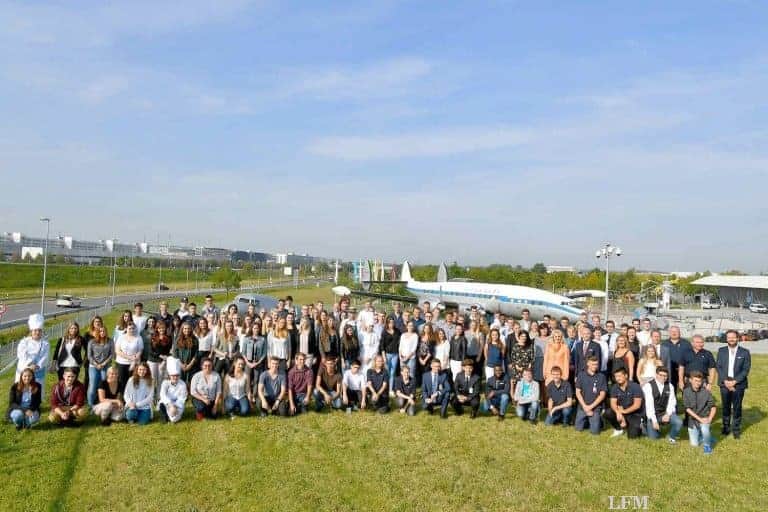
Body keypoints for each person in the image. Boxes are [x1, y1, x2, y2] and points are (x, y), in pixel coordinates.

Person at [716, 330, 751, 439]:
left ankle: (736, 430)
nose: (731, 339)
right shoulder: (721, 351)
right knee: (725, 407)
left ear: (737, 338)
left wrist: (734, 382)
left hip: (738, 384)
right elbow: (719, 367)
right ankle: (725, 428)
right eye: (729, 337)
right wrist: (726, 381)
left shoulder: (745, 352)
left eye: (733, 337)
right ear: (726, 339)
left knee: (737, 407)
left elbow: (745, 370)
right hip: (724, 383)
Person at [642, 366, 682, 443]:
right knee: (654, 438)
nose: (663, 378)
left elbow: (672, 402)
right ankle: (645, 426)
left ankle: (671, 436)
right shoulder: (648, 386)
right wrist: (654, 421)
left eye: (665, 376)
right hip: (652, 414)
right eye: (660, 375)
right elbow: (649, 406)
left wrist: (668, 414)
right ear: (656, 375)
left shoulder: (670, 386)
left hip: (664, 413)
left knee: (678, 422)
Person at [604, 367, 644, 438]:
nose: (617, 378)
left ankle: (639, 426)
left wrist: (623, 412)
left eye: (619, 376)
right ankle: (618, 429)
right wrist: (617, 412)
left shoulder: (635, 386)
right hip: (621, 411)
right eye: (616, 376)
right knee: (608, 413)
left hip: (634, 414)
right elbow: (612, 403)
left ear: (626, 375)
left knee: (632, 436)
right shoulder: (614, 387)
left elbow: (637, 405)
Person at [683, 371, 717, 454]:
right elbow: (687, 409)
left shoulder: (706, 392)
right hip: (693, 421)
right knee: (694, 444)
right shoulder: (686, 392)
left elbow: (713, 407)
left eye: (699, 381)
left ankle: (707, 446)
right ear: (690, 380)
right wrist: (699, 419)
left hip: (704, 418)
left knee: (705, 429)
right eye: (695, 381)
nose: (698, 383)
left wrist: (709, 418)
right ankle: (707, 437)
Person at [15, 314, 50, 392]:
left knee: (36, 390)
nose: (37, 332)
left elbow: (45, 357)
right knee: (22, 390)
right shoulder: (24, 342)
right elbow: (21, 355)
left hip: (38, 371)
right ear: (31, 331)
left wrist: (37, 366)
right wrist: (30, 365)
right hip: (25, 370)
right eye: (35, 330)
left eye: (39, 330)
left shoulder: (45, 343)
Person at [574, 356, 607, 435]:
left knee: (595, 432)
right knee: (578, 429)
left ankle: (599, 420)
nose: (595, 366)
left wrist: (590, 407)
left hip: (595, 408)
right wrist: (585, 406)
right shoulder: (581, 375)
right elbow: (578, 392)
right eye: (593, 364)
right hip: (583, 407)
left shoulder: (601, 376)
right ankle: (589, 420)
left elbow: (602, 395)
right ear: (588, 363)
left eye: (596, 364)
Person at [86, 325, 114, 407]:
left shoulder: (110, 341)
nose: (102, 333)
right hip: (93, 366)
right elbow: (89, 356)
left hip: (105, 366)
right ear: (98, 332)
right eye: (100, 331)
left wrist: (104, 363)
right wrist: (96, 364)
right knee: (93, 385)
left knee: (104, 383)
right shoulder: (92, 342)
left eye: (104, 331)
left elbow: (112, 354)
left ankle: (102, 402)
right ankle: (91, 405)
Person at [114, 322, 143, 393]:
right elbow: (117, 350)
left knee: (133, 382)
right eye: (130, 328)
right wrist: (129, 357)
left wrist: (134, 359)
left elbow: (140, 350)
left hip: (134, 364)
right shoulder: (121, 337)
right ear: (126, 329)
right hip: (121, 363)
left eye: (133, 328)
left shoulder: (138, 338)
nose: (131, 330)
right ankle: (122, 399)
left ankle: (131, 398)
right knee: (122, 382)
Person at [147, 320, 172, 399]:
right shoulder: (153, 337)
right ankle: (150, 396)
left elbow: (168, 351)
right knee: (152, 379)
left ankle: (159, 396)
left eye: (163, 328)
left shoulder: (168, 338)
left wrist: (165, 359)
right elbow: (150, 351)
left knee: (161, 379)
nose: (161, 330)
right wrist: (160, 356)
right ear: (157, 329)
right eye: (159, 328)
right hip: (152, 360)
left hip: (162, 362)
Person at [158, 357, 187, 424]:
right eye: (173, 376)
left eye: (177, 376)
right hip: (167, 403)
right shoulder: (165, 383)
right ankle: (164, 415)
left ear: (179, 376)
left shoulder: (182, 384)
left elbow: (182, 398)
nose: (175, 377)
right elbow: (163, 395)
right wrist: (171, 405)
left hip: (178, 404)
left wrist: (175, 406)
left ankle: (170, 416)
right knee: (161, 404)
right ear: (169, 376)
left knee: (173, 419)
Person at [662, 326, 692, 390]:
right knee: (671, 391)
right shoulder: (664, 343)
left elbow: (690, 357)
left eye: (676, 331)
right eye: (672, 331)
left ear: (679, 333)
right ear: (669, 333)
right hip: (669, 371)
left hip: (684, 370)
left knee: (685, 390)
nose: (674, 333)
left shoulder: (686, 343)